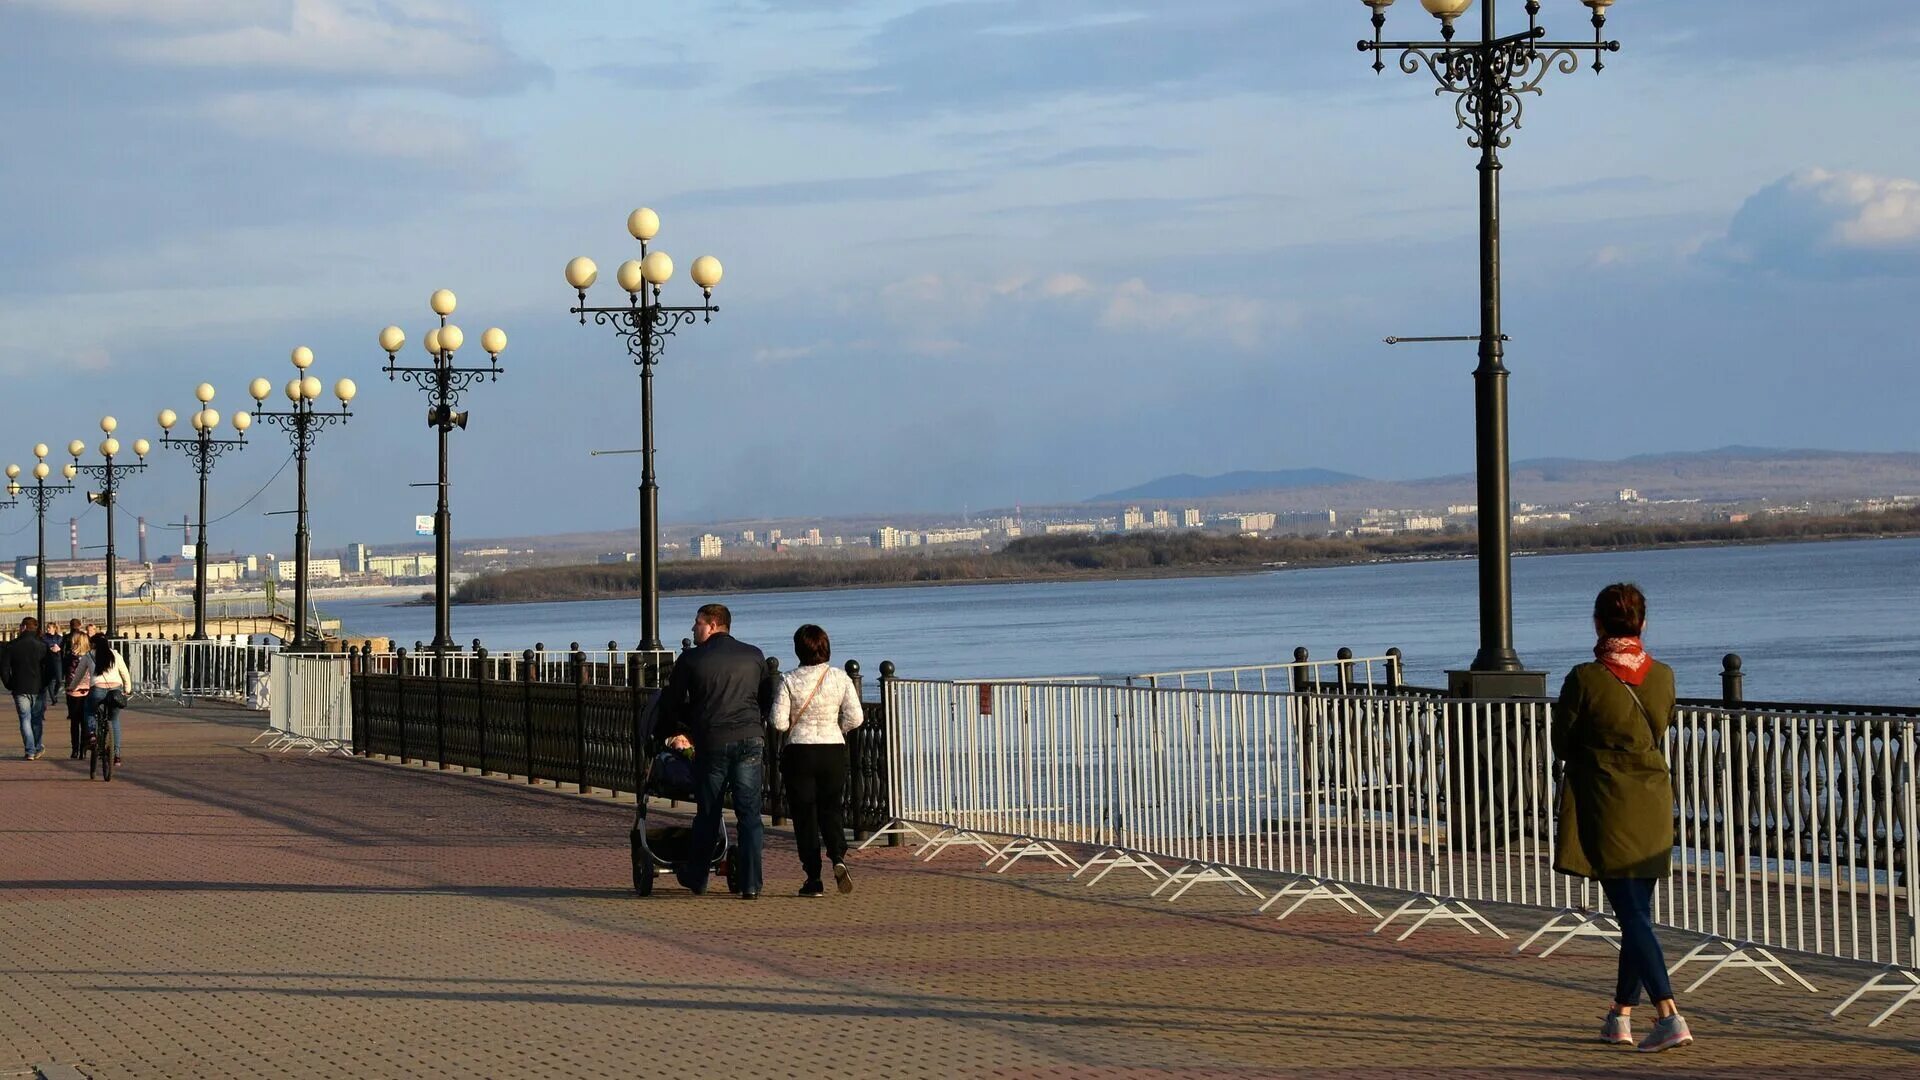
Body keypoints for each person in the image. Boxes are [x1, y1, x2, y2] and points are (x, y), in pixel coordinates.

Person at [1552, 583, 1692, 1053]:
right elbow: (1662, 724)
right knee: (1638, 914)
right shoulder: (1664, 676)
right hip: (1652, 802)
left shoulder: (1584, 678)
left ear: (1597, 623)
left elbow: (1562, 744)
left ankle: (1669, 1014)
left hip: (1607, 803)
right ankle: (1620, 1016)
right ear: (1643, 624)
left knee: (1631, 915)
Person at [658, 604, 772, 899]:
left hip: (713, 741)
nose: (692, 629)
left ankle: (697, 877)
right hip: (750, 739)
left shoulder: (692, 659)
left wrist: (682, 727)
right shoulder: (754, 655)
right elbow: (767, 697)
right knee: (749, 814)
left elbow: (671, 703)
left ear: (712, 625)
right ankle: (750, 884)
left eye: (696, 623)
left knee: (709, 811)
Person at [770, 624, 863, 897]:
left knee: (805, 815)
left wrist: (794, 726)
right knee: (831, 808)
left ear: (798, 649)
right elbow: (856, 717)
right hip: (832, 749)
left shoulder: (789, 680)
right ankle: (837, 857)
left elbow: (777, 721)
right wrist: (837, 728)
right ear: (826, 647)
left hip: (799, 752)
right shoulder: (840, 678)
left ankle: (813, 878)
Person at [71, 633, 132, 770]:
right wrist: (128, 689)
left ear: (93, 644)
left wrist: (72, 687)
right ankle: (116, 755)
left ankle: (92, 734)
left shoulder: (88, 656)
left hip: (97, 689)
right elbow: (125, 673)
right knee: (114, 720)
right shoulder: (115, 655)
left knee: (89, 710)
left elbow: (79, 675)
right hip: (115, 689)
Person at [2, 617, 58, 760]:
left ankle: (30, 750)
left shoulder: (12, 645)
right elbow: (51, 667)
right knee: (36, 719)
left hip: (19, 687)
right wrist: (46, 682)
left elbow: (4, 668)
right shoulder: (42, 645)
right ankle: (37, 746)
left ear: (24, 627)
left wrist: (9, 683)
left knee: (24, 719)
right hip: (38, 686)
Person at [63, 621, 91, 758]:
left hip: (73, 691)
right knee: (85, 721)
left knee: (74, 722)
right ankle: (83, 750)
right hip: (87, 690)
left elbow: (64, 671)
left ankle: (75, 750)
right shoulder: (91, 656)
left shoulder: (70, 657)